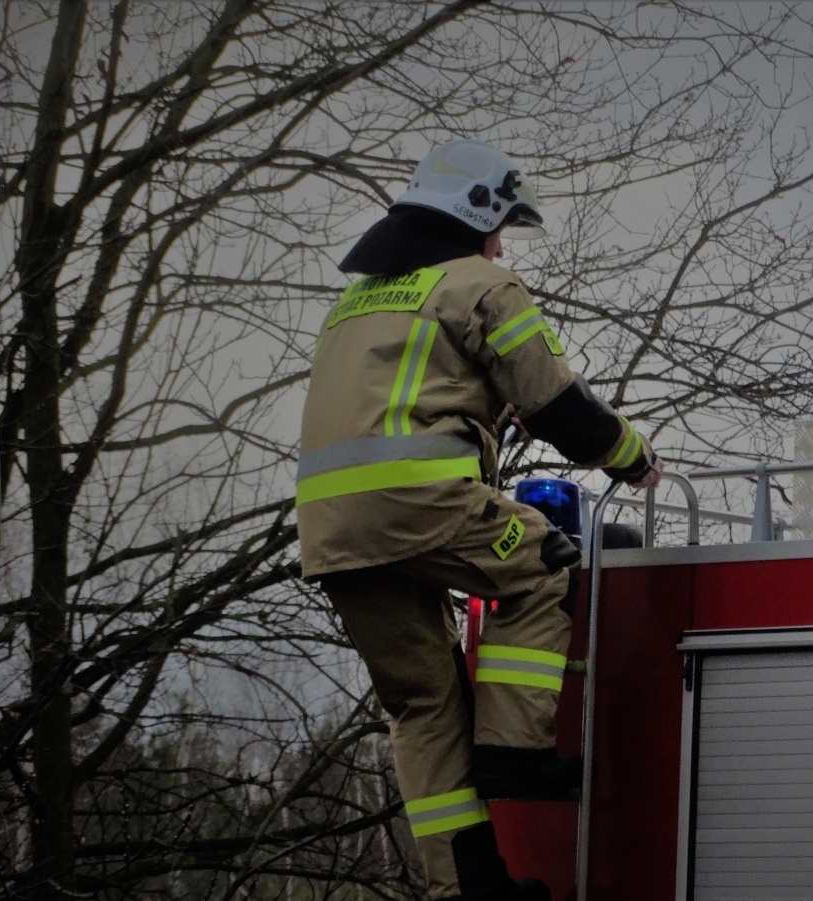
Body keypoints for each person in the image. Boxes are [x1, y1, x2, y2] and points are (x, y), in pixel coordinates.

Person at [296, 139, 662, 901]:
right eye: (502, 227)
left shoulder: (357, 299)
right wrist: (631, 457)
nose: (503, 245)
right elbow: (559, 401)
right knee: (547, 565)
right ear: (479, 215)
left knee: (422, 704)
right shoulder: (482, 282)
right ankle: (513, 749)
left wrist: (489, 406)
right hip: (419, 500)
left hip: (331, 530)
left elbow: (400, 394)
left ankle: (464, 887)